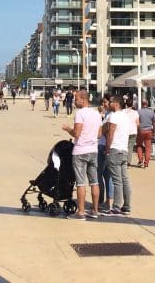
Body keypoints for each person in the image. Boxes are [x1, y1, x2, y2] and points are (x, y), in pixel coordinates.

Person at [62, 90, 102, 220]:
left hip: (80, 151)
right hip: (93, 150)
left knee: (80, 183)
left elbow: (76, 134)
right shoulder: (96, 113)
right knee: (94, 181)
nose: (74, 101)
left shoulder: (80, 114)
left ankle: (81, 212)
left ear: (83, 100)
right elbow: (99, 134)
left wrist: (68, 129)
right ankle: (95, 210)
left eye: (76, 98)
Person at [104, 96, 132, 215]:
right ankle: (126, 206)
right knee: (124, 179)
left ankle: (116, 206)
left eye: (111, 102)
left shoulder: (114, 116)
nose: (109, 103)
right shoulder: (126, 116)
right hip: (124, 149)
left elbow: (111, 133)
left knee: (117, 181)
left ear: (116, 104)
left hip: (115, 149)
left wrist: (107, 147)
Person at [135, 99, 155, 167]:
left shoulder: (138, 112)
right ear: (147, 104)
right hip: (149, 130)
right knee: (148, 148)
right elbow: (154, 123)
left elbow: (136, 122)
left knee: (139, 145)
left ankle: (140, 160)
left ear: (141, 104)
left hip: (140, 130)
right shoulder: (151, 112)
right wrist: (154, 131)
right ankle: (146, 163)